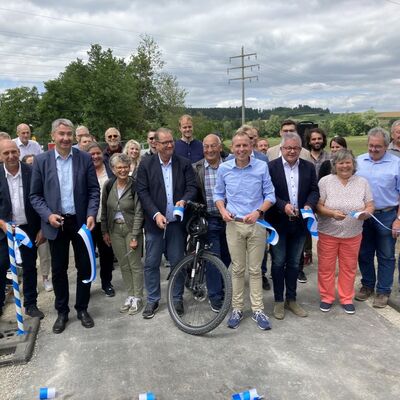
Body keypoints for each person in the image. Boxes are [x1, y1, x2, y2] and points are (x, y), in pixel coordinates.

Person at [30, 118, 100, 334]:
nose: (66, 138)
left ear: (75, 137)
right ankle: (62, 312)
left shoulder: (85, 158)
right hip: (55, 222)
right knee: (59, 270)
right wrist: (48, 216)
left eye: (69, 134)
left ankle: (82, 308)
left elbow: (93, 191)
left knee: (84, 267)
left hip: (80, 222)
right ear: (53, 136)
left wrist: (90, 213)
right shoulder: (42, 161)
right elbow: (35, 195)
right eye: (61, 134)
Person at [214, 130, 276, 330]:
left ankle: (258, 309)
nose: (241, 149)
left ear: (251, 147)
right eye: (237, 146)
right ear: (232, 148)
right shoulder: (224, 169)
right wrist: (222, 210)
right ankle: (237, 308)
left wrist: (258, 212)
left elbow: (270, 195)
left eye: (245, 145)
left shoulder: (261, 167)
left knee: (255, 270)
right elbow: (218, 194)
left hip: (256, 224)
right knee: (238, 269)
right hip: (234, 224)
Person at [136, 127, 197, 319]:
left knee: (177, 262)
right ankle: (153, 299)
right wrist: (155, 214)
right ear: (156, 144)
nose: (170, 145)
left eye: (171, 141)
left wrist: (184, 200)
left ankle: (177, 298)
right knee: (151, 263)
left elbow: (192, 187)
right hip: (155, 224)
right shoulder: (146, 165)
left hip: (176, 224)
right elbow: (143, 192)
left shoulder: (184, 163)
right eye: (165, 142)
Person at [266, 132, 319, 320]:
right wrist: (283, 205)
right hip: (278, 223)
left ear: (300, 149)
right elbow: (268, 192)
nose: (291, 151)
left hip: (300, 224)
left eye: (295, 148)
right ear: (281, 149)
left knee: (295, 263)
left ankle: (292, 299)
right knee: (279, 262)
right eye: (288, 148)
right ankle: (279, 300)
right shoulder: (270, 167)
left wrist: (309, 205)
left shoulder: (308, 167)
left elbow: (314, 190)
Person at [317, 149, 374, 314]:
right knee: (326, 267)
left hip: (353, 234)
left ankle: (346, 298)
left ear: (353, 164)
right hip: (328, 233)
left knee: (348, 268)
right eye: (341, 163)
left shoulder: (362, 182)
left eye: (348, 162)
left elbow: (370, 204)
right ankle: (327, 297)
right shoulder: (325, 181)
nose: (344, 166)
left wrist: (366, 214)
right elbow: (319, 206)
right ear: (334, 165)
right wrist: (332, 213)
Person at [355, 127, 400, 308]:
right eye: (370, 146)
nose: (373, 149)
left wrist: (399, 219)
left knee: (386, 255)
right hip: (365, 216)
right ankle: (367, 285)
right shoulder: (359, 161)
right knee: (364, 253)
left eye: (378, 147)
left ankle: (383, 291)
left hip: (387, 215)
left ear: (386, 145)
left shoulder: (396, 164)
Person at [0, 140, 45, 319]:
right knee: (1, 265)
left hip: (28, 228)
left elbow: (42, 199)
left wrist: (42, 228)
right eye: (6, 153)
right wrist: (3, 224)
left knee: (29, 267)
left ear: (18, 152)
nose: (10, 156)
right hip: (3, 229)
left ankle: (31, 304)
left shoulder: (31, 172)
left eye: (13, 152)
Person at [101, 153, 144, 315]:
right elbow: (104, 210)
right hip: (114, 230)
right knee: (124, 265)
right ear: (113, 169)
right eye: (119, 167)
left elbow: (139, 212)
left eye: (126, 167)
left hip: (131, 229)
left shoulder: (135, 185)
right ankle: (130, 295)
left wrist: (135, 236)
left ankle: (138, 297)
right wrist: (104, 231)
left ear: (130, 168)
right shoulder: (108, 185)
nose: (123, 170)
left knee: (135, 264)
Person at [193, 134, 231, 312]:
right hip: (209, 219)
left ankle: (221, 287)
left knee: (227, 257)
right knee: (213, 258)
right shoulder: (197, 168)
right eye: (206, 147)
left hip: (230, 219)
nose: (209, 150)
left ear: (220, 147)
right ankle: (215, 296)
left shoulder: (230, 166)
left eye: (213, 146)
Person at [86, 143, 115, 297]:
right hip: (88, 221)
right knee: (85, 256)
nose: (95, 156)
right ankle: (86, 285)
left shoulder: (110, 171)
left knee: (106, 254)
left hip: (106, 220)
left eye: (98, 153)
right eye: (92, 154)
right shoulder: (83, 171)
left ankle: (106, 283)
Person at [21, 154, 53, 292]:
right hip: (23, 227)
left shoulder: (41, 180)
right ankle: (29, 284)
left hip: (41, 224)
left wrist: (43, 226)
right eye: (30, 163)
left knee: (44, 254)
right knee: (27, 260)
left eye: (34, 163)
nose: (33, 166)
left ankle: (46, 278)